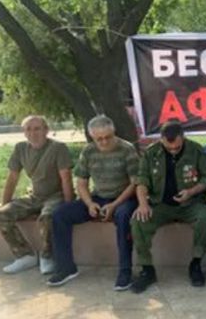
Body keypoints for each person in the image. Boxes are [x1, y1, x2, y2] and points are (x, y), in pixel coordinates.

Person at [47, 116, 139, 290]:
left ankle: (125, 271)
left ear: (114, 133)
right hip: (98, 197)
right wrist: (89, 204)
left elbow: (135, 183)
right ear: (92, 137)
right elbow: (81, 183)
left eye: (108, 137)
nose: (104, 142)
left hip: (125, 197)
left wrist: (114, 205)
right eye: (99, 139)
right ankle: (66, 268)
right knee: (60, 214)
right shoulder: (88, 151)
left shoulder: (127, 149)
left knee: (123, 216)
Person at [130, 120, 206, 293]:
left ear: (182, 138)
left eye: (177, 147)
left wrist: (191, 192)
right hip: (161, 204)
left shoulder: (196, 150)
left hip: (191, 203)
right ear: (161, 139)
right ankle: (147, 270)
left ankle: (196, 264)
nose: (173, 151)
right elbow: (141, 180)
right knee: (138, 221)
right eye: (169, 148)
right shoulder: (151, 153)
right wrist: (143, 204)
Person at [0, 115, 73, 275]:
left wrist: (69, 205)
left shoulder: (58, 148)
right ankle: (25, 256)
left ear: (46, 130)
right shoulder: (20, 148)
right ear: (23, 132)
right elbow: (12, 178)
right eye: (28, 129)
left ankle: (47, 256)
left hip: (55, 195)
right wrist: (5, 205)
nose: (32, 133)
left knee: (47, 216)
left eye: (37, 128)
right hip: (34, 196)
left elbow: (66, 178)